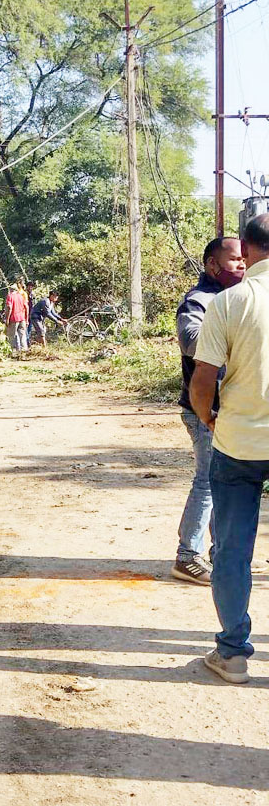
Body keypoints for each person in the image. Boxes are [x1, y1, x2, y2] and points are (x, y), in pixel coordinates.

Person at [191, 213, 269, 684]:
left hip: (239, 440)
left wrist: (207, 416)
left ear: (251, 248)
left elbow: (203, 379)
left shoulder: (231, 302)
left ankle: (233, 654)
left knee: (234, 549)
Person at [172, 236, 245, 586]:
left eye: (245, 259)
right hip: (204, 409)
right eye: (234, 260)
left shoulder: (238, 299)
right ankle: (188, 556)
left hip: (227, 409)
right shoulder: (199, 301)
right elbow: (190, 340)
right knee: (207, 481)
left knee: (220, 481)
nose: (242, 265)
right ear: (212, 266)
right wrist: (235, 343)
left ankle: (216, 553)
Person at [5, 283, 28, 353]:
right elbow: (26, 307)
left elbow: (9, 307)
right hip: (22, 318)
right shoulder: (21, 296)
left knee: (12, 336)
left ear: (10, 290)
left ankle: (12, 351)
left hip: (14, 318)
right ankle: (24, 351)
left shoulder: (10, 296)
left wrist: (7, 319)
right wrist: (26, 319)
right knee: (22, 335)